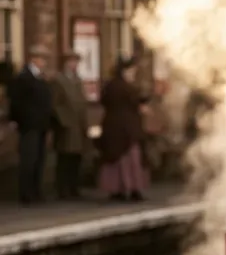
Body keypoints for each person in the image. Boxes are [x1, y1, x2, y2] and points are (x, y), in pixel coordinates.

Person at [7, 43, 53, 204]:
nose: (44, 62)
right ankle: (26, 193)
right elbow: (17, 102)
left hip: (41, 125)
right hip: (28, 125)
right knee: (29, 159)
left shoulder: (42, 78)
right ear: (33, 59)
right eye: (41, 59)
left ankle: (36, 191)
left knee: (40, 159)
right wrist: (18, 120)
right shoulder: (23, 77)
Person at [98, 56, 148, 201]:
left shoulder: (110, 86)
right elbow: (136, 101)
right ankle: (132, 188)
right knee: (129, 158)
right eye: (131, 71)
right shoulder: (126, 88)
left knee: (117, 159)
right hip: (126, 128)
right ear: (124, 71)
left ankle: (118, 189)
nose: (133, 74)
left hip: (114, 126)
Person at [51, 50, 90, 199]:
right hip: (67, 126)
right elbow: (55, 104)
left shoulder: (78, 80)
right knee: (65, 158)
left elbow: (82, 103)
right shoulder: (59, 80)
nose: (74, 65)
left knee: (76, 158)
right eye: (71, 62)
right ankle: (63, 188)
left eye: (76, 62)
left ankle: (74, 187)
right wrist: (63, 121)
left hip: (79, 125)